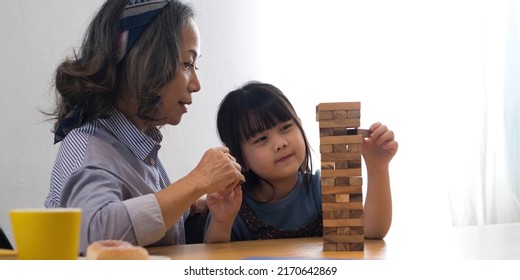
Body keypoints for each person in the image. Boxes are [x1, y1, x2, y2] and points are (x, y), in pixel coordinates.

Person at [44, 0, 244, 254]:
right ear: (145, 60)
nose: (196, 84)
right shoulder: (86, 144)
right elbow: (93, 234)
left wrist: (203, 208)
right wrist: (197, 180)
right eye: (186, 64)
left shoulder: (143, 150)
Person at [204, 81, 397, 242]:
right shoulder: (234, 205)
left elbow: (372, 232)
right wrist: (221, 223)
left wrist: (377, 168)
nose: (280, 143)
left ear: (300, 125)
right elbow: (213, 263)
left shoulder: (321, 189)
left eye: (286, 127)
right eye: (261, 139)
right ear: (240, 157)